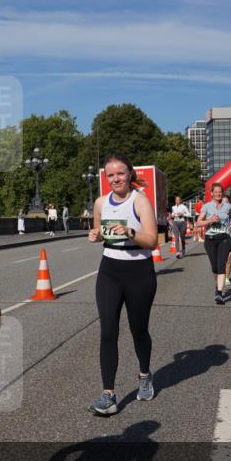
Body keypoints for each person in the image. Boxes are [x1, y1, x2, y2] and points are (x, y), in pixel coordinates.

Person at [86, 154, 158, 416]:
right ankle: (108, 395)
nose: (115, 179)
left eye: (120, 174)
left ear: (130, 174)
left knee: (138, 330)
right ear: (105, 178)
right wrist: (94, 236)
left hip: (139, 271)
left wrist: (129, 232)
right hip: (110, 271)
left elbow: (152, 241)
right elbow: (99, 234)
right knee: (108, 331)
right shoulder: (100, 203)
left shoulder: (140, 201)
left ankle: (145, 374)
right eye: (110, 175)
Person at [196, 183, 231, 304]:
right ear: (211, 193)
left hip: (224, 238)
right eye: (216, 192)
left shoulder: (227, 206)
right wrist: (210, 220)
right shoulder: (207, 206)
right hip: (210, 239)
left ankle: (219, 293)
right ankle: (217, 285)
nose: (218, 194)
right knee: (215, 267)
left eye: (220, 192)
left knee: (222, 264)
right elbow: (198, 223)